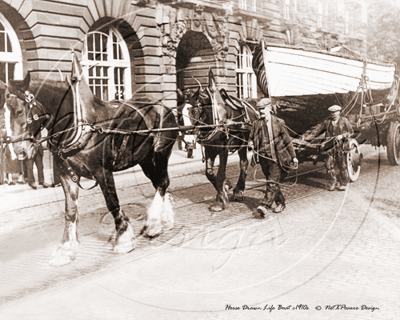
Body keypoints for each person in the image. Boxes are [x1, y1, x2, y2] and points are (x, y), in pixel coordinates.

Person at [248, 97, 298, 216]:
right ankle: (281, 203)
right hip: (263, 159)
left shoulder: (278, 123)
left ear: (269, 108)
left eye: (263, 109)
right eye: (259, 109)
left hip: (276, 158)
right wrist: (250, 143)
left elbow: (287, 141)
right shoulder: (256, 124)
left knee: (271, 182)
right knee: (273, 183)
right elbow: (250, 137)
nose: (261, 112)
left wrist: (294, 156)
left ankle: (265, 205)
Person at [305, 105, 354, 191]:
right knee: (328, 166)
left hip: (341, 148)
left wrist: (342, 136)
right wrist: (309, 137)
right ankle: (333, 182)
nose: (333, 114)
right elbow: (318, 130)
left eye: (335, 112)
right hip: (329, 148)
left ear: (339, 112)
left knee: (342, 166)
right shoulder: (327, 122)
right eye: (331, 113)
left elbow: (351, 132)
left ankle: (343, 184)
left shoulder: (344, 121)